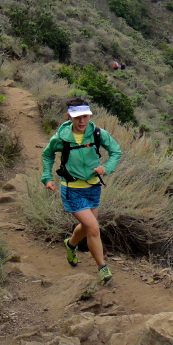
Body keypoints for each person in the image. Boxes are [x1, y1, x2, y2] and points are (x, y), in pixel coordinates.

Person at [41, 97, 122, 284]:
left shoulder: (97, 134)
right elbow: (47, 155)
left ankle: (70, 244)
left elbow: (116, 152)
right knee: (94, 227)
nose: (82, 121)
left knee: (87, 227)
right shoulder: (61, 138)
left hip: (93, 187)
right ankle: (103, 268)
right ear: (69, 116)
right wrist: (47, 177)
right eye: (77, 117)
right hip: (72, 189)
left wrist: (107, 168)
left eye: (85, 116)